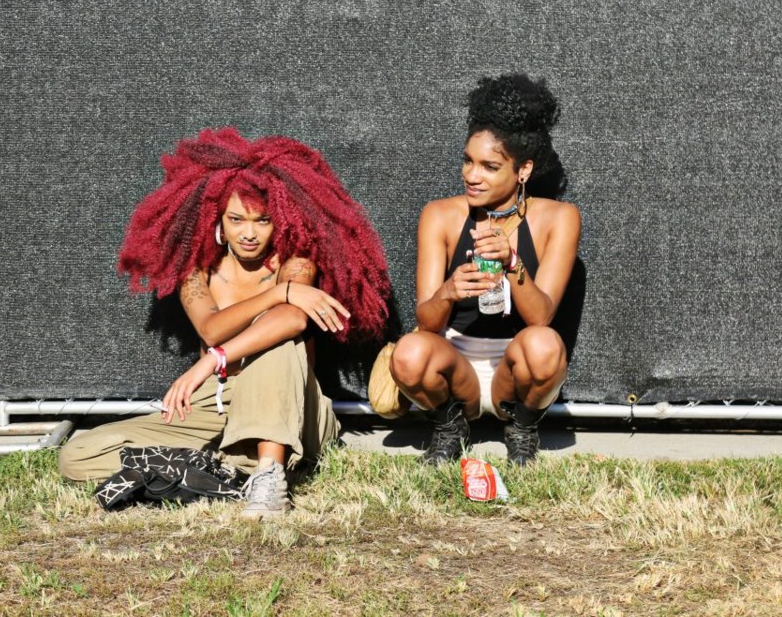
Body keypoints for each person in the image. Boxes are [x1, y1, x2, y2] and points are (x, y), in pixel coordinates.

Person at [59, 127, 391, 517]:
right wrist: (277, 293)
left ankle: (268, 477)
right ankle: (215, 471)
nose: (249, 233)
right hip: (215, 405)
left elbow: (293, 319)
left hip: (290, 405)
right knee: (77, 456)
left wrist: (210, 359)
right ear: (216, 217)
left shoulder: (296, 263)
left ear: (280, 219)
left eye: (262, 220)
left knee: (276, 339)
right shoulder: (197, 273)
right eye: (236, 219)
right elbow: (211, 328)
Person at [390, 73, 580, 465]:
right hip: (455, 364)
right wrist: (447, 291)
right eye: (468, 161)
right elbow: (426, 322)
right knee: (408, 353)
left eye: (490, 167)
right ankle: (449, 425)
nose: (472, 175)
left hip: (516, 367)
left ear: (522, 170)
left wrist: (513, 262)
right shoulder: (440, 215)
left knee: (545, 345)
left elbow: (541, 316)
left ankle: (522, 428)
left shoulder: (558, 218)